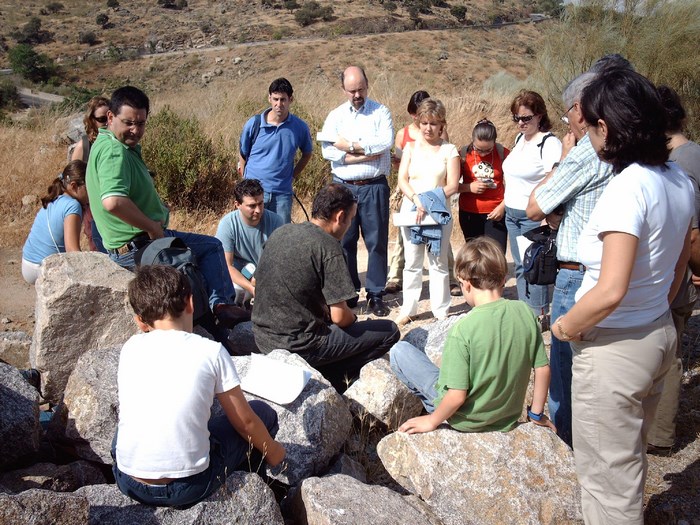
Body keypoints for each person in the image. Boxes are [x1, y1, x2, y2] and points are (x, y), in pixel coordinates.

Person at [552, 70, 694, 524]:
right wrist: (653, 311)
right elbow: (675, 268)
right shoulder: (677, 180)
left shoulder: (627, 188)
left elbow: (610, 290)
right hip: (656, 334)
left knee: (607, 484)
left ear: (606, 128)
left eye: (587, 125)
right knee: (628, 464)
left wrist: (565, 328)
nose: (583, 134)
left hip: (615, 348)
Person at [113, 265, 284, 508]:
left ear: (140, 322)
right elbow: (245, 422)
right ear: (190, 303)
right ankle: (255, 481)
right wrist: (275, 452)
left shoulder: (129, 347)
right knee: (262, 412)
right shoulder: (210, 351)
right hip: (189, 486)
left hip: (129, 481)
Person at [86, 86, 247, 328]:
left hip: (124, 244)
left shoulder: (102, 143)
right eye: (128, 122)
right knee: (212, 248)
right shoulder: (114, 151)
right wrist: (152, 226)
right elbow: (113, 201)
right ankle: (221, 309)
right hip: (140, 244)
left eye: (140, 123)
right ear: (110, 117)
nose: (135, 130)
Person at [525, 71, 614, 448]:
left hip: (576, 275)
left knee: (565, 368)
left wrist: (562, 158)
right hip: (613, 271)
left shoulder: (585, 153)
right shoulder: (631, 148)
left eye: (566, 114)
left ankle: (567, 446)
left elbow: (534, 207)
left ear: (580, 110)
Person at [390, 237, 554, 434]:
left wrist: (432, 421)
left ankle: (435, 409)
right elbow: (542, 369)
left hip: (464, 419)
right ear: (503, 279)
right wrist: (536, 415)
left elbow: (458, 395)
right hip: (507, 417)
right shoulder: (526, 312)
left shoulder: (463, 329)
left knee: (400, 351)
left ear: (465, 284)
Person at [252, 183, 400, 392]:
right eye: (350, 219)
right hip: (300, 346)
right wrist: (355, 319)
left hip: (262, 338)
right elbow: (340, 317)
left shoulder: (281, 231)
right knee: (389, 331)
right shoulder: (328, 246)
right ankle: (333, 379)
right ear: (340, 217)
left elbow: (258, 282)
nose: (349, 225)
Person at [646, 85, 700, 457]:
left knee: (667, 356)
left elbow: (691, 233)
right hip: (678, 273)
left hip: (676, 277)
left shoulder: (681, 164)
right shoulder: (692, 153)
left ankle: (659, 435)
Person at [320, 66, 393, 317]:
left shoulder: (381, 112)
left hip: (374, 186)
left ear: (367, 85)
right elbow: (327, 151)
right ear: (344, 90)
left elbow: (384, 144)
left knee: (376, 241)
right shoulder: (336, 116)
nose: (357, 94)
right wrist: (360, 153)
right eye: (352, 90)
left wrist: (348, 148)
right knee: (344, 242)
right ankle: (349, 293)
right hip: (344, 188)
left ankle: (376, 294)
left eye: (361, 89)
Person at [386, 90, 459, 297]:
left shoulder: (450, 150)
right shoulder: (409, 147)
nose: (428, 128)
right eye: (425, 122)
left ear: (441, 125)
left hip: (438, 211)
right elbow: (402, 180)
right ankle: (409, 307)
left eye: (433, 123)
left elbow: (452, 185)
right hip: (412, 208)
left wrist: (427, 201)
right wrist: (417, 200)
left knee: (439, 262)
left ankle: (441, 309)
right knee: (412, 262)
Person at [502, 90, 562, 325]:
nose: (520, 123)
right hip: (512, 213)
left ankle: (538, 315)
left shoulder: (548, 143)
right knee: (519, 264)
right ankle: (524, 310)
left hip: (532, 216)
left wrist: (548, 214)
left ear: (539, 115)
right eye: (516, 118)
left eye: (526, 118)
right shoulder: (520, 140)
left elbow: (554, 179)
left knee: (534, 265)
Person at [238, 78, 313, 224]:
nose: (279, 104)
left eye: (283, 99)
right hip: (254, 193)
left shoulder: (299, 127)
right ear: (269, 98)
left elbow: (307, 153)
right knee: (252, 235)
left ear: (291, 99)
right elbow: (243, 153)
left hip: (282, 194)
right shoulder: (254, 124)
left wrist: (292, 176)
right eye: (275, 99)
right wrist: (245, 180)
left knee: (282, 238)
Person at [215, 178, 283, 307]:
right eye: (252, 206)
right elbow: (227, 266)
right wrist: (252, 288)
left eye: (261, 203)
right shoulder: (228, 224)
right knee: (236, 289)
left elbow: (281, 261)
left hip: (266, 275)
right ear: (237, 204)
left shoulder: (276, 222)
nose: (258, 210)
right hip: (241, 277)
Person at [22, 160, 89, 284]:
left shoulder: (55, 198)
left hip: (27, 262)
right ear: (74, 186)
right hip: (43, 268)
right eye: (89, 186)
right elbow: (72, 250)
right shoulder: (73, 206)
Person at [458, 119, 510, 253]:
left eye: (488, 150)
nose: (483, 154)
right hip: (469, 212)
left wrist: (502, 207)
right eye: (478, 149)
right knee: (474, 255)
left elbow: (515, 186)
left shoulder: (503, 153)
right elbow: (450, 185)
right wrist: (469, 187)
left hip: (496, 212)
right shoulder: (463, 154)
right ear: (472, 141)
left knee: (495, 255)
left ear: (495, 142)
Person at [71, 95, 110, 253]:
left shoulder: (116, 142)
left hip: (114, 203)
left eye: (110, 117)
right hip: (92, 207)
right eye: (102, 119)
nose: (107, 123)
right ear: (92, 120)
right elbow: (72, 177)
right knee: (97, 246)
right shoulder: (84, 146)